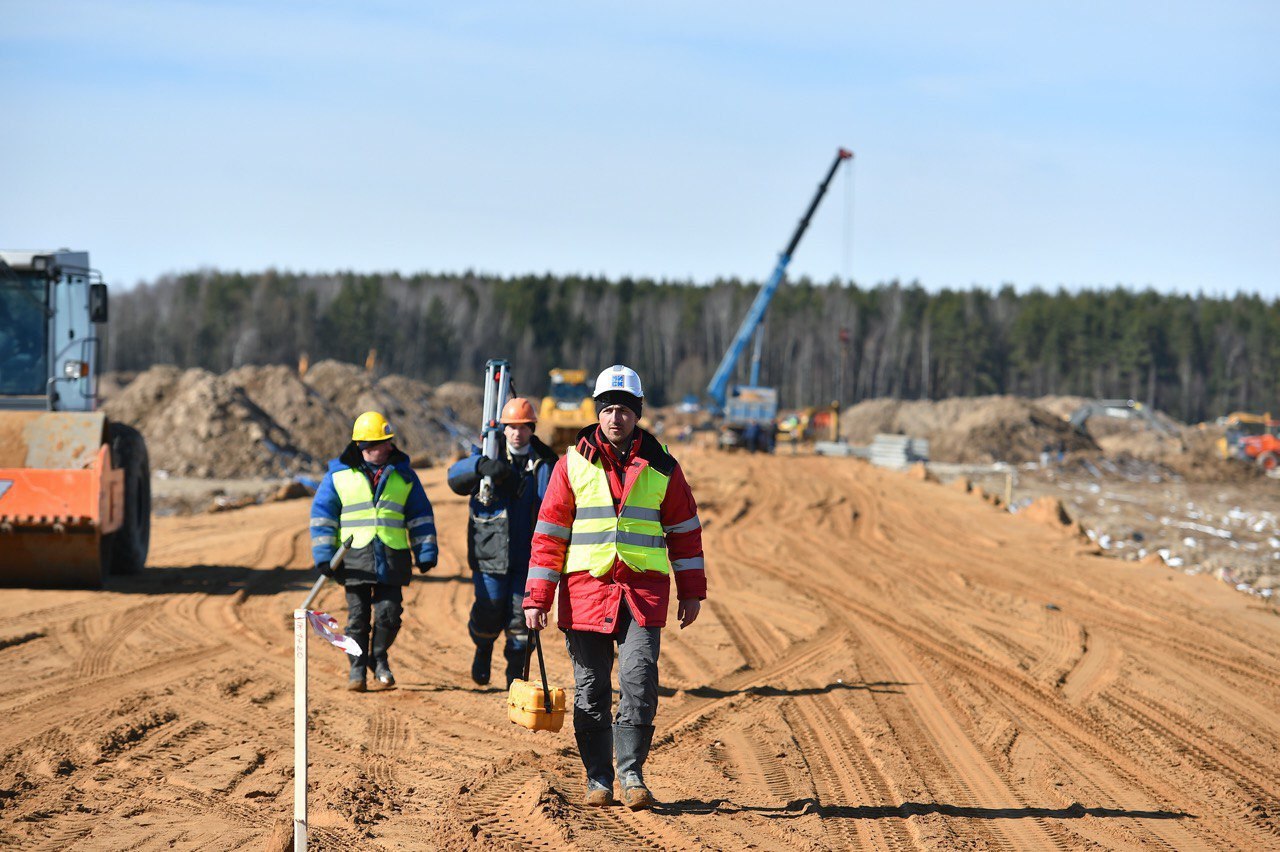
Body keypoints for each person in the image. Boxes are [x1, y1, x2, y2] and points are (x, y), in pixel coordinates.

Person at [523, 364, 706, 810]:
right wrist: (537, 597)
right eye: (607, 409)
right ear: (597, 411)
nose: (615, 418)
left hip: (642, 595)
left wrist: (692, 589)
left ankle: (631, 774)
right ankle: (598, 780)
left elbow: (684, 530)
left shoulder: (664, 466)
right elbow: (549, 534)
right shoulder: (572, 464)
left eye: (624, 409)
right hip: (586, 593)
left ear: (638, 412)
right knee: (591, 691)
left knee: (639, 682)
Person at [310, 411, 438, 692]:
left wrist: (426, 551)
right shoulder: (338, 476)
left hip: (392, 558)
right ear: (363, 447)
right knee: (357, 620)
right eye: (379, 443)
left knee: (389, 616)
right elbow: (323, 517)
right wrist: (323, 557)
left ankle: (378, 657)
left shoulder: (404, 476)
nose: (386, 448)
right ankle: (357, 669)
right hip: (354, 560)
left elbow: (420, 517)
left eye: (387, 442)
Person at [447, 396, 559, 687]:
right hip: (490, 553)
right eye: (511, 427)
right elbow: (454, 478)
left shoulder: (546, 463)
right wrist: (480, 466)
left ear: (532, 429)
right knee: (489, 608)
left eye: (523, 427)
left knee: (521, 618)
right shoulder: (487, 453)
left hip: (529, 557)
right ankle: (483, 650)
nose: (517, 433)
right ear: (503, 429)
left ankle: (515, 672)